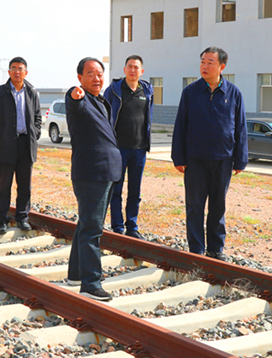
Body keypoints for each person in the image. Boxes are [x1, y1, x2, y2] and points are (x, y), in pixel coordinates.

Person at [171, 46, 248, 260]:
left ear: (222, 66)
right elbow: (180, 125)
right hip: (195, 160)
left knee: (218, 206)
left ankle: (215, 249)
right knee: (195, 206)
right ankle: (196, 249)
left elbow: (240, 127)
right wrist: (178, 157)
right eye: (202, 62)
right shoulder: (190, 92)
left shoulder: (234, 93)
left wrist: (240, 159)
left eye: (210, 62)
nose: (204, 66)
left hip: (224, 159)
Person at [65, 57, 121, 301]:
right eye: (90, 74)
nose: (97, 78)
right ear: (80, 78)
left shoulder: (101, 101)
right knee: (92, 229)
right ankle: (91, 283)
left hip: (106, 172)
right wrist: (74, 94)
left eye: (99, 74)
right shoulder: (80, 98)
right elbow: (74, 101)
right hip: (91, 173)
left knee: (86, 223)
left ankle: (76, 274)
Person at [0, 57, 42, 234]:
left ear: (26, 72)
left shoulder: (32, 92)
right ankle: (1, 220)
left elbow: (38, 117)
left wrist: (35, 134)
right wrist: (1, 135)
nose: (17, 72)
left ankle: (22, 218)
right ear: (9, 72)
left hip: (26, 144)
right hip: (6, 144)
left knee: (25, 185)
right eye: (14, 68)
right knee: (4, 185)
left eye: (20, 69)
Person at [103, 55, 154, 239]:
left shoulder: (146, 91)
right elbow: (105, 117)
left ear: (142, 71)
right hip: (118, 149)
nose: (133, 70)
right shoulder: (114, 90)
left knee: (135, 191)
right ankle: (117, 227)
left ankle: (132, 226)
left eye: (136, 67)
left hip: (139, 149)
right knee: (116, 190)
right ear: (124, 70)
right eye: (129, 67)